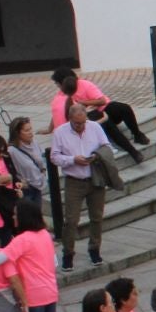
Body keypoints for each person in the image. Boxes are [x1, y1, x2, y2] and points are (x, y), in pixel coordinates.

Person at [49, 103, 113, 270]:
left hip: (94, 178)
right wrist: (72, 160)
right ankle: (68, 253)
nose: (81, 126)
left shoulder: (95, 128)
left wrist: (96, 156)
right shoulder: (60, 132)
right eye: (77, 123)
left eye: (83, 122)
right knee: (71, 220)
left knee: (97, 217)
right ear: (70, 119)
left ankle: (94, 249)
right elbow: (54, 157)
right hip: (74, 180)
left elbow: (107, 148)